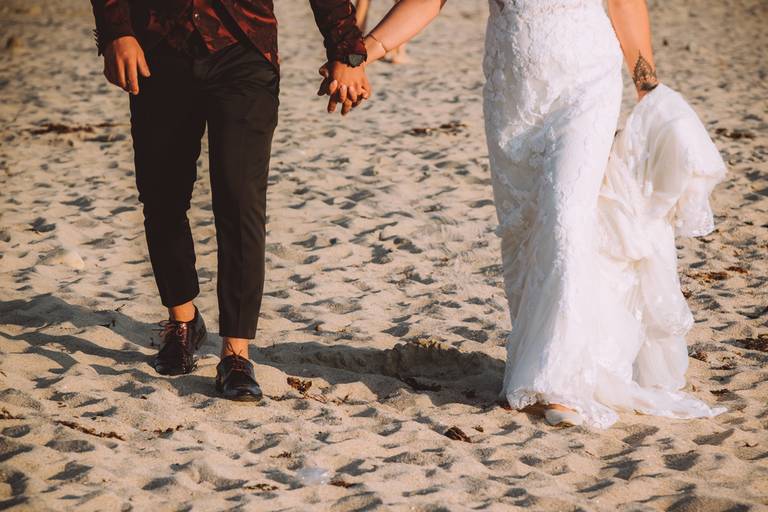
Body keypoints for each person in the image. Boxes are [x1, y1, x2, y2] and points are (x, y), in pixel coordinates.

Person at [344, 0, 727, 427]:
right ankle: (547, 358)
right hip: (513, 95)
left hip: (586, 82)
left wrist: (646, 84)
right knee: (527, 229)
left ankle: (560, 383)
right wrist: (359, 53)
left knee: (565, 217)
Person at [89, 0, 371, 401]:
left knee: (240, 201)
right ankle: (183, 321)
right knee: (162, 196)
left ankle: (236, 354)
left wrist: (348, 51)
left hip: (244, 50)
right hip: (158, 48)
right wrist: (116, 32)